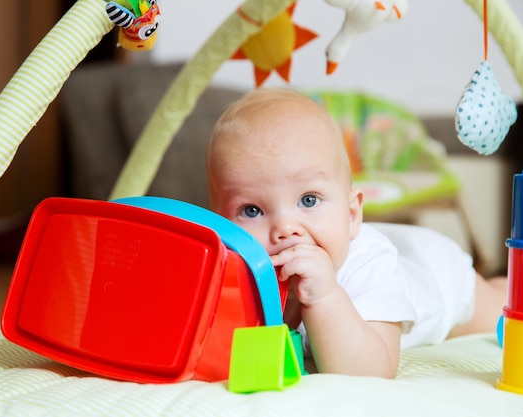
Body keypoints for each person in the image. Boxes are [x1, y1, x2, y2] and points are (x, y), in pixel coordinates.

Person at [205, 88, 507, 378]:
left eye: (308, 200)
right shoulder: (237, 273)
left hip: (439, 276)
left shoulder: (369, 265)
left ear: (351, 214)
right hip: (403, 247)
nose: (284, 230)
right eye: (251, 210)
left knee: (507, 304)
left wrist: (324, 297)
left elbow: (375, 369)